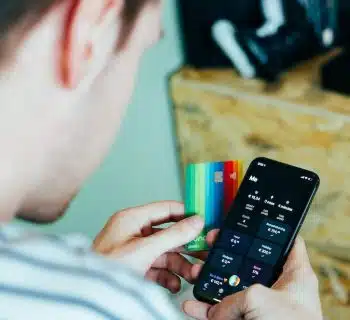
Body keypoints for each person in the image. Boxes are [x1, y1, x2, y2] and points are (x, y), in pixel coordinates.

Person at [0, 0, 323, 319]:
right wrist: (99, 288)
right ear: (89, 32)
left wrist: (92, 277)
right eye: (143, 48)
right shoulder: (114, 305)